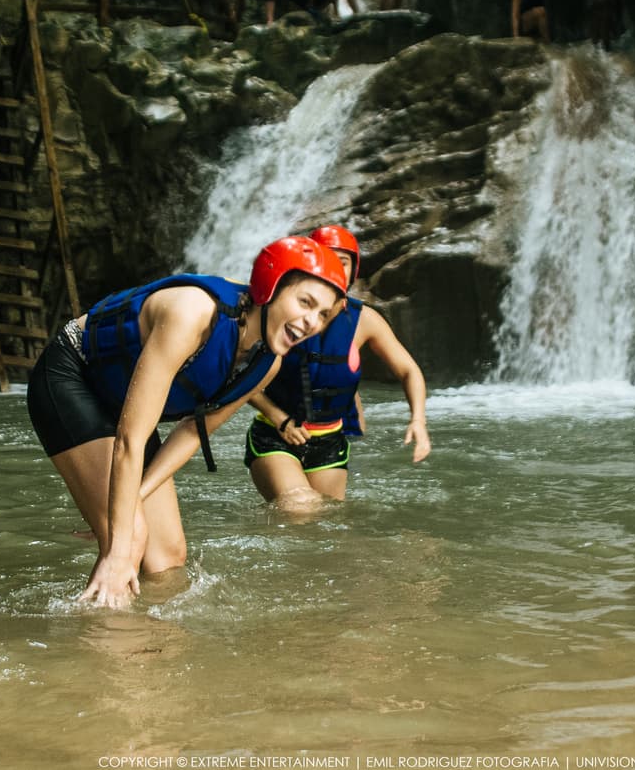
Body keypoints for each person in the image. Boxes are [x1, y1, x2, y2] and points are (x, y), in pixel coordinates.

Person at [27, 236, 348, 609]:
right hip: (72, 375)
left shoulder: (266, 364)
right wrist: (119, 536)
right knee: (128, 541)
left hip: (120, 402)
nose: (312, 321)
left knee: (168, 557)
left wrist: (135, 499)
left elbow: (193, 431)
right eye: (305, 302)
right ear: (270, 286)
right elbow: (131, 439)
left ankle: (147, 647)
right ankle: (107, 649)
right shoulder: (192, 313)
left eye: (323, 315)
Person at [244, 225, 431, 509]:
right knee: (300, 507)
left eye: (342, 262)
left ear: (353, 271)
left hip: (330, 441)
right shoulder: (282, 311)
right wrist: (278, 417)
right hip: (275, 434)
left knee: (323, 525)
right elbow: (240, 377)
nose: (334, 268)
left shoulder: (365, 321)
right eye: (326, 258)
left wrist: (418, 420)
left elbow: (409, 371)